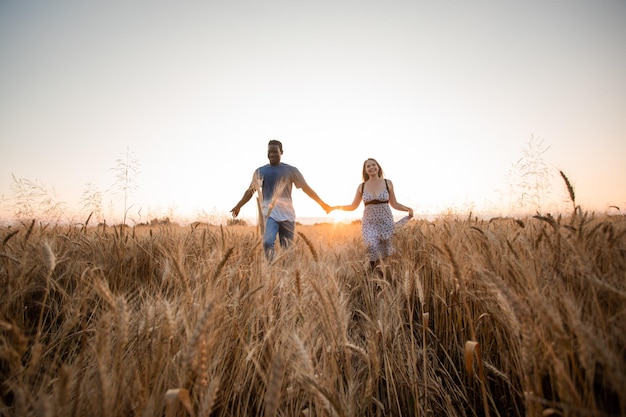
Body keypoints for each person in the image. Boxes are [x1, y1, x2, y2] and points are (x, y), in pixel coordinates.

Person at [231, 140, 331, 261]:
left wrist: (322, 204)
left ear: (281, 152)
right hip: (269, 214)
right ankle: (272, 268)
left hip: (288, 216)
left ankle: (285, 274)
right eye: (269, 152)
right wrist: (238, 205)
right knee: (267, 243)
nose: (271, 155)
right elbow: (250, 191)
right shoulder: (260, 171)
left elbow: (306, 188)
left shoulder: (291, 170)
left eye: (274, 151)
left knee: (287, 251)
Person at [329, 158, 413, 269]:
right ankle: (372, 278)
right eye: (368, 166)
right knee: (372, 248)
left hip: (386, 222)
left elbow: (394, 203)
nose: (371, 167)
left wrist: (408, 209)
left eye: (373, 165)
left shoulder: (388, 183)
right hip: (369, 224)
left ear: (378, 167)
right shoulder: (361, 186)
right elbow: (353, 206)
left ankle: (383, 278)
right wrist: (335, 208)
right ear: (365, 170)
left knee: (386, 252)